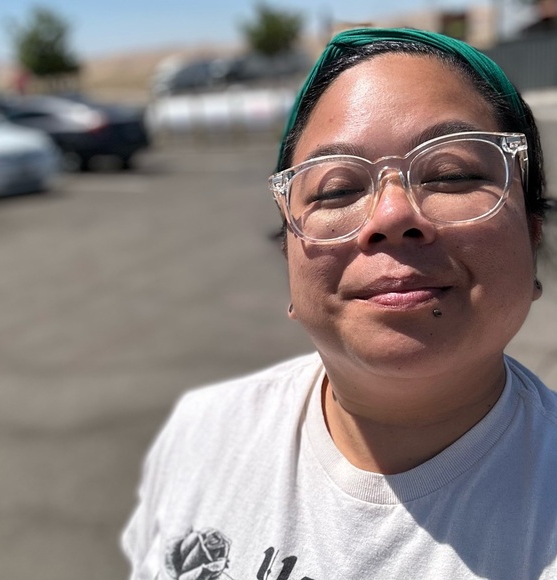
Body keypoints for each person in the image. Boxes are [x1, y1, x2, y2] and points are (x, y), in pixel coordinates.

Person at [122, 28, 557, 579]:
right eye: (337, 190)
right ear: (288, 256)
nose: (392, 215)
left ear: (532, 235)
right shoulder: (202, 432)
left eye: (453, 175)